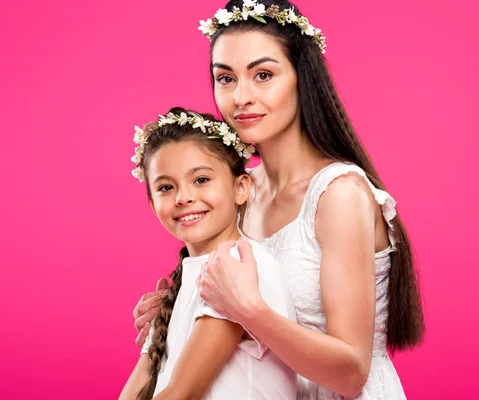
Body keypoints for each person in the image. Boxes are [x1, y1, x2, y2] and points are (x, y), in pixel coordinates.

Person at [134, 1, 425, 398]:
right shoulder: (237, 189)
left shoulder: (338, 194)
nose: (241, 97)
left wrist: (246, 310)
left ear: (301, 78)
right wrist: (178, 314)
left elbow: (351, 374)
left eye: (263, 75)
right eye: (226, 78)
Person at [120, 108, 297, 399]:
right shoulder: (185, 280)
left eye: (201, 180)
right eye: (166, 187)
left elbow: (182, 393)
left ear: (241, 188)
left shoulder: (239, 266)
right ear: (152, 204)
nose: (183, 197)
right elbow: (138, 385)